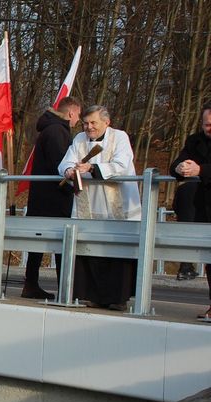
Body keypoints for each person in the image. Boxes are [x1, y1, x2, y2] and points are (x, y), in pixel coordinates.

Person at [58, 105, 140, 311]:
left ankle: (117, 298)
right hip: (89, 203)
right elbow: (65, 162)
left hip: (117, 203)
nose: (88, 127)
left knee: (116, 251)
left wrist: (93, 168)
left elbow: (122, 164)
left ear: (106, 122)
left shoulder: (119, 138)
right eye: (85, 123)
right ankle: (91, 295)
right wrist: (69, 170)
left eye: (93, 122)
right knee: (89, 249)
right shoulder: (79, 140)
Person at [22, 96, 82, 300]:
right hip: (53, 196)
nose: (78, 120)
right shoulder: (57, 132)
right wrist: (70, 186)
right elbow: (59, 164)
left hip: (42, 196)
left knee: (38, 243)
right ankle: (63, 288)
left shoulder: (52, 129)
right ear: (72, 112)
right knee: (60, 243)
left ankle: (32, 284)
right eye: (79, 115)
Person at [170, 102, 211, 318]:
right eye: (206, 124)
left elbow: (202, 169)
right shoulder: (195, 141)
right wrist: (180, 167)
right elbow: (176, 163)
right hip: (204, 207)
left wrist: (200, 169)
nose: (209, 128)